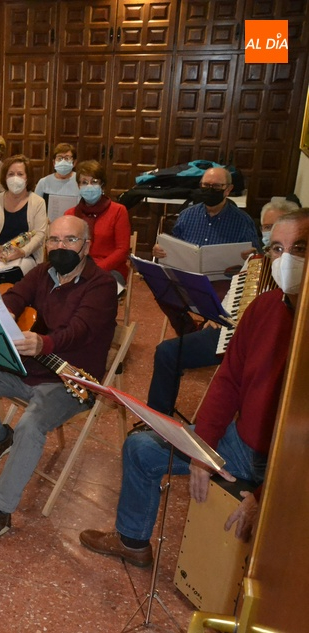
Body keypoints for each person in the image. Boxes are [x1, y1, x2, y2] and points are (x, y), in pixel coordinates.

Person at [80, 210, 308, 565]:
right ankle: (132, 541)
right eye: (277, 248)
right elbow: (228, 381)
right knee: (140, 448)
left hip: (288, 467)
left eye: (300, 248)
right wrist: (204, 449)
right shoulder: (266, 306)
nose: (287, 259)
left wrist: (264, 497)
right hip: (241, 444)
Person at [0, 215, 117, 550]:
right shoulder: (42, 273)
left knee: (30, 425)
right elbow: (13, 296)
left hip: (70, 381)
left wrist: (45, 344)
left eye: (69, 240)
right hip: (27, 369)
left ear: (86, 246)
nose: (59, 247)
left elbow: (80, 329)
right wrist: (7, 311)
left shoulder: (101, 285)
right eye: (54, 240)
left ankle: (0, 511)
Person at [145, 198, 298, 416]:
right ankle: (158, 421)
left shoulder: (300, 272)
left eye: (276, 226)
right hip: (232, 331)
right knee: (167, 352)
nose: (271, 232)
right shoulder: (257, 262)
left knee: (237, 382)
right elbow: (237, 289)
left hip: (267, 351)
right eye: (266, 227)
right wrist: (221, 315)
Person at [152, 167, 260, 335]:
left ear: (228, 190)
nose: (209, 190)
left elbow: (256, 259)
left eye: (216, 187)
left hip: (222, 282)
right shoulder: (187, 215)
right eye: (205, 185)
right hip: (187, 277)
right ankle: (189, 333)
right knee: (162, 291)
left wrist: (251, 255)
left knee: (217, 302)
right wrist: (161, 251)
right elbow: (174, 246)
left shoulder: (242, 221)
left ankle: (205, 334)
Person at [0, 154, 48, 284]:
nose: (15, 178)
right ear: (4, 177)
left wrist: (22, 252)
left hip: (25, 256)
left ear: (27, 178)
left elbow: (40, 235)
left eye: (20, 174)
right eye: (11, 174)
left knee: (11, 276)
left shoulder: (38, 202)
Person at [64, 160, 131, 286]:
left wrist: (95, 270)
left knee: (93, 290)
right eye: (84, 182)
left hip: (110, 269)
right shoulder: (70, 214)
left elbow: (122, 251)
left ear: (102, 185)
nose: (89, 186)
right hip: (77, 268)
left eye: (94, 182)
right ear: (78, 186)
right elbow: (65, 248)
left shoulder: (118, 211)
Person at [34, 143, 80, 218]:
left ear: (74, 162)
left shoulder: (80, 181)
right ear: (54, 162)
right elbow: (35, 208)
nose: (63, 162)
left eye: (67, 158)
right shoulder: (44, 182)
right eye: (59, 158)